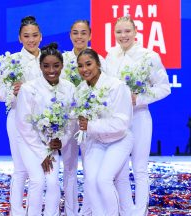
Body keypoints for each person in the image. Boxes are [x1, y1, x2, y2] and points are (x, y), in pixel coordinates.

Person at [106, 16, 171, 215]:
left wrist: (139, 98)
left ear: (135, 32)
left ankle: (140, 212)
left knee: (140, 168)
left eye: (127, 31)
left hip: (139, 117)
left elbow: (164, 88)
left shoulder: (149, 56)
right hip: (116, 120)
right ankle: (126, 211)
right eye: (119, 32)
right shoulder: (110, 55)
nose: (123, 35)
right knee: (120, 171)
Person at [15, 43, 75, 215]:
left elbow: (71, 120)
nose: (51, 70)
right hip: (29, 142)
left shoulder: (69, 87)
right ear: (40, 66)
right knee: (38, 181)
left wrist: (61, 141)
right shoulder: (29, 88)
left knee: (53, 182)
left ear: (62, 66)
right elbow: (24, 125)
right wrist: (42, 154)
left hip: (52, 145)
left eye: (56, 66)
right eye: (46, 66)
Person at [0, 15, 42, 215]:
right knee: (21, 168)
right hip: (17, 118)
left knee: (39, 171)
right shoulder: (11, 61)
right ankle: (17, 211)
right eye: (26, 36)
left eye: (35, 35)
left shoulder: (48, 60)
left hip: (43, 121)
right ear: (20, 38)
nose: (31, 40)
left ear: (41, 36)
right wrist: (12, 92)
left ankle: (34, 209)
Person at [76, 48, 134, 215]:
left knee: (103, 179)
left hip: (120, 140)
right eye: (80, 66)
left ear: (98, 64)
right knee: (91, 181)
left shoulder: (116, 86)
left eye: (88, 64)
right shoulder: (81, 90)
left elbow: (122, 124)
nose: (84, 69)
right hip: (96, 141)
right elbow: (78, 117)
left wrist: (91, 125)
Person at [61, 20, 107, 216]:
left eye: (83, 33)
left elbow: (105, 90)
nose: (79, 36)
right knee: (69, 168)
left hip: (90, 122)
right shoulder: (62, 59)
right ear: (70, 35)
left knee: (91, 169)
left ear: (90, 35)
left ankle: (89, 211)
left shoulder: (100, 60)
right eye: (75, 33)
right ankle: (71, 211)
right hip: (68, 121)